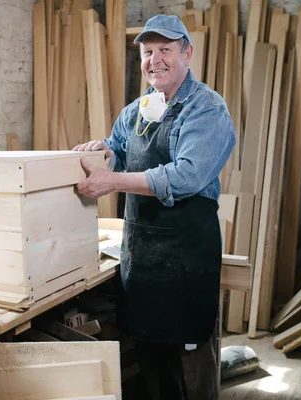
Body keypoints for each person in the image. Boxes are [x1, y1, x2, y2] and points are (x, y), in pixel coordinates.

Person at [73, 14, 235, 400]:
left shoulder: (206, 109)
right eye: (148, 52)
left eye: (165, 50)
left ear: (187, 53)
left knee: (189, 362)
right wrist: (105, 151)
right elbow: (120, 147)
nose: (155, 60)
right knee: (150, 361)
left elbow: (186, 176)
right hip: (142, 255)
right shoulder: (137, 110)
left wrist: (113, 181)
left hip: (185, 256)